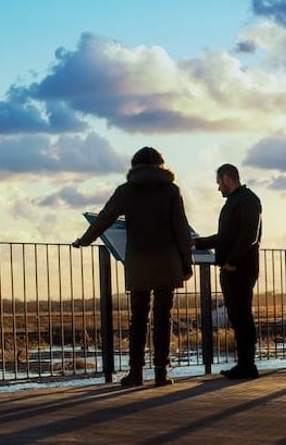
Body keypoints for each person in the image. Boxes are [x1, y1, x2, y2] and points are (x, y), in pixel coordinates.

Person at [72, 147, 192, 388]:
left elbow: (104, 218)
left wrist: (84, 240)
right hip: (167, 261)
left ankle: (136, 373)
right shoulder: (171, 190)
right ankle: (161, 373)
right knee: (163, 317)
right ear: (161, 164)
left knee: (138, 318)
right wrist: (186, 263)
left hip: (139, 261)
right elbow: (181, 227)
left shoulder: (126, 190)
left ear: (135, 165)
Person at [194, 164, 262, 380]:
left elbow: (249, 235)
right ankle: (244, 364)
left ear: (226, 178)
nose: (218, 188)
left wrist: (232, 261)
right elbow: (224, 237)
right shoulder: (235, 201)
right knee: (236, 315)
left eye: (218, 183)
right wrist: (198, 243)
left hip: (240, 268)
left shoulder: (248, 200)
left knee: (242, 315)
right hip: (229, 268)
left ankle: (247, 365)